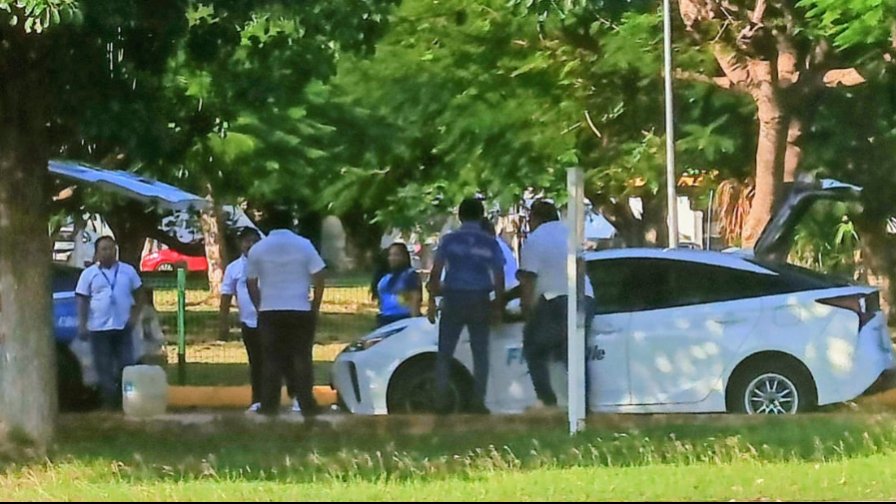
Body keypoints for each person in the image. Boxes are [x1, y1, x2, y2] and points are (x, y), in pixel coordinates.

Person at [246, 207, 326, 417]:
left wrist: (259, 304)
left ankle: (269, 404)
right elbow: (319, 275)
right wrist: (314, 305)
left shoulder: (259, 248)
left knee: (271, 359)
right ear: (291, 223)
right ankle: (306, 403)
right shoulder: (304, 245)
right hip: (299, 308)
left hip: (270, 310)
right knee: (301, 357)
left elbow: (251, 281)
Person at [427, 198, 505, 414]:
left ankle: (440, 401)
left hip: (453, 298)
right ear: (481, 217)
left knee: (445, 353)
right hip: (480, 299)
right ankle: (477, 401)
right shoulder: (489, 242)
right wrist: (498, 306)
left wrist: (431, 301)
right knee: (480, 352)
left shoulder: (450, 240)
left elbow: (435, 272)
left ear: (459, 216)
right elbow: (499, 276)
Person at [517, 200, 596, 411]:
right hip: (584, 297)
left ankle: (547, 402)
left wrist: (527, 311)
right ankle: (583, 408)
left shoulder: (534, 240)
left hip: (555, 299)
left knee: (533, 347)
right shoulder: (569, 234)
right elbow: (580, 266)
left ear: (534, 218)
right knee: (575, 353)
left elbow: (528, 280)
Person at [221, 227, 303, 413]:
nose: (250, 245)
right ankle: (259, 400)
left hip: (275, 320)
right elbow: (226, 295)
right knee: (257, 362)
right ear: (239, 244)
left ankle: (297, 397)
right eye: (245, 241)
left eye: (254, 240)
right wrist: (223, 321)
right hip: (250, 323)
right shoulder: (233, 268)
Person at [75, 236, 146, 410]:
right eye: (104, 249)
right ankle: (109, 404)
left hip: (123, 327)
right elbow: (82, 299)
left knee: (126, 365)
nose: (108, 252)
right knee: (103, 367)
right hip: (98, 328)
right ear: (97, 253)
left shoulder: (128, 271)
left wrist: (134, 317)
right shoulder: (89, 274)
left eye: (111, 248)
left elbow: (140, 295)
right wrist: (82, 324)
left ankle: (128, 402)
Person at [375, 243, 423, 327]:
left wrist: (414, 324)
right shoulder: (385, 277)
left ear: (405, 257)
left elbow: (415, 300)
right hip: (384, 319)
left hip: (402, 319)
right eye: (390, 255)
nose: (392, 258)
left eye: (396, 255)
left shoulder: (410, 275)